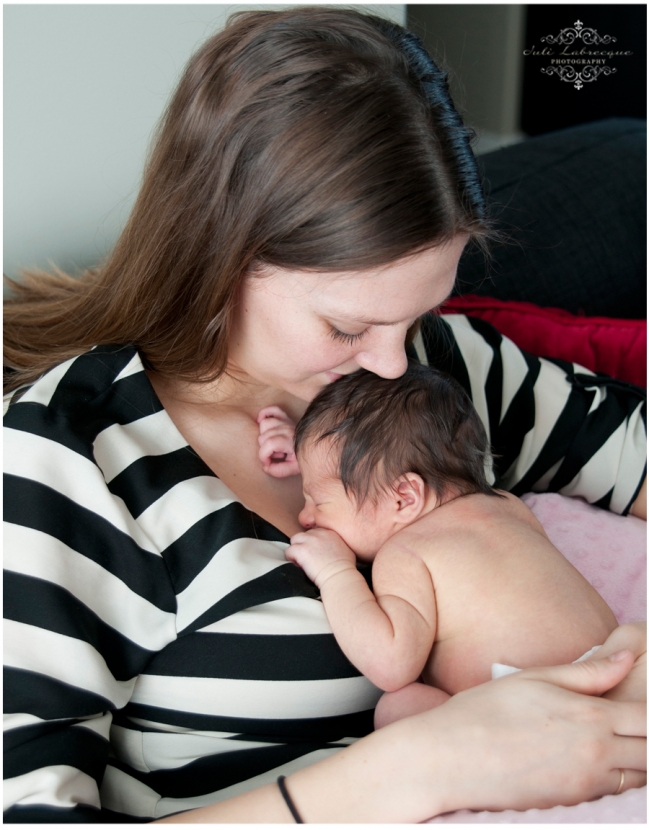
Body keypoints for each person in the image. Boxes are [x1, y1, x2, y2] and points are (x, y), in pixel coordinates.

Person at [3, 7, 646, 824]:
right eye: (346, 326)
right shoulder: (69, 462)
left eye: (415, 314)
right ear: (221, 251)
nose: (389, 363)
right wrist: (413, 770)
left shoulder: (432, 371)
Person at [258, 364, 620, 728]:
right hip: (615, 679)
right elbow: (367, 464)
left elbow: (391, 666)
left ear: (404, 498)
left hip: (530, 716)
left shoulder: (407, 553)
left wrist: (335, 572)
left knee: (402, 705)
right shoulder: (510, 507)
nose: (306, 517)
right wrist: (319, 462)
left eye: (317, 502)